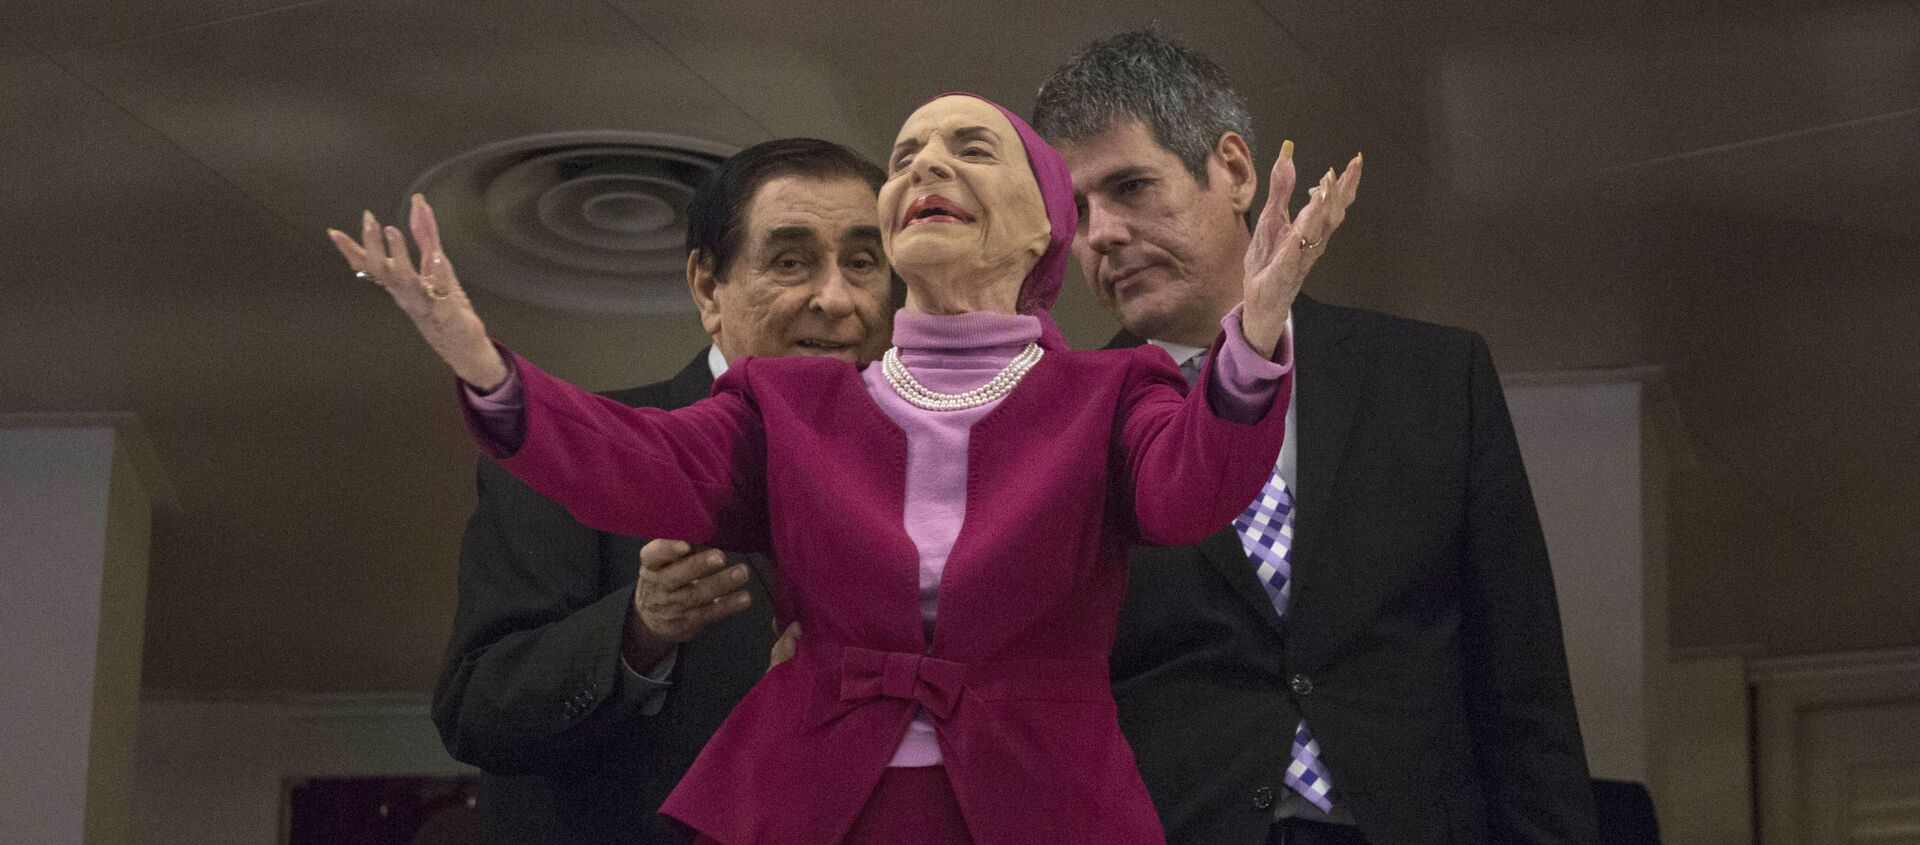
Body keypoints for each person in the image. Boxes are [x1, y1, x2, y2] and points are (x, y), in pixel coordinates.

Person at [334, 92, 1358, 844]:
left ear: (1045, 220)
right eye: (907, 152)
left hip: (1034, 809)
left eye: (969, 147)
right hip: (812, 809)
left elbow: (1197, 485)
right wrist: (490, 372)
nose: (924, 167)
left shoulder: (1112, 391)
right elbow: (629, 460)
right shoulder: (791, 405)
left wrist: (1253, 336)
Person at [1031, 29, 1599, 845]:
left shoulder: (1433, 378)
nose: (1102, 235)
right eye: (1078, 212)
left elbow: (1524, 691)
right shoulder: (1062, 424)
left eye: (1130, 187)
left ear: (1232, 169)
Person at [329, 138, 895, 844]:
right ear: (706, 287)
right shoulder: (564, 462)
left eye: (864, 263)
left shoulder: (924, 479)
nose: (837, 298)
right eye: (790, 261)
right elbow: (477, 709)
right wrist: (638, 631)